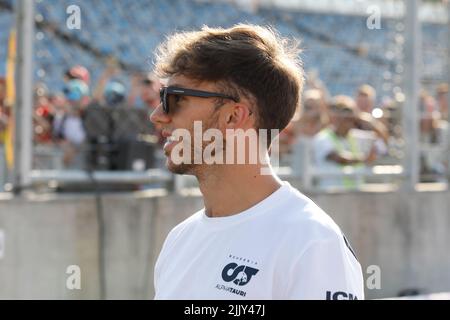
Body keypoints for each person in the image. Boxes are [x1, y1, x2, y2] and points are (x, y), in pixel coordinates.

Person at [150, 24, 364, 300]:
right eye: (161, 97)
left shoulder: (311, 242)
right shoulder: (179, 240)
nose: (157, 115)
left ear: (233, 116)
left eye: (175, 99)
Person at [313, 95, 378, 190]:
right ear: (334, 117)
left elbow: (382, 138)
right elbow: (339, 158)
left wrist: (364, 118)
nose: (347, 120)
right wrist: (364, 159)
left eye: (350, 116)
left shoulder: (356, 136)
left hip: (355, 194)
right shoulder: (322, 138)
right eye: (343, 116)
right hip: (330, 196)